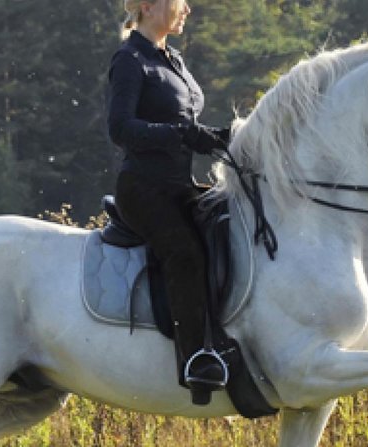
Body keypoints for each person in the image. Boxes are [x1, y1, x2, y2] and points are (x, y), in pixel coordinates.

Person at [106, 0, 230, 393]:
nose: (188, 9)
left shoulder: (172, 59)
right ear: (148, 6)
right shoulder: (129, 60)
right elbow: (120, 129)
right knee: (185, 254)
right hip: (144, 189)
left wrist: (227, 137)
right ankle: (195, 359)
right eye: (180, 2)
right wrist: (181, 135)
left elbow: (187, 124)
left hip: (179, 185)